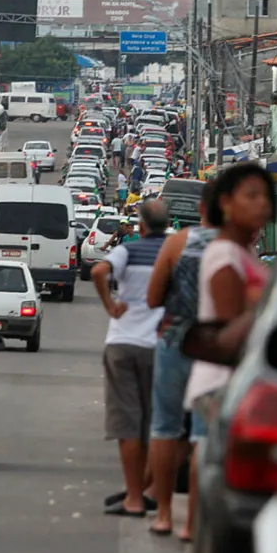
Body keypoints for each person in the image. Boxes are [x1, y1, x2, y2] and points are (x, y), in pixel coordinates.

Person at [182, 164, 275, 541]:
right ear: (225, 203)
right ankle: (196, 528)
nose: (262, 205)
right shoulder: (224, 256)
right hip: (221, 380)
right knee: (208, 457)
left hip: (234, 381)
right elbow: (229, 327)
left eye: (265, 197)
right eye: (251, 196)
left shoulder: (244, 252)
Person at [145, 183, 217, 536]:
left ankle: (162, 514)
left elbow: (153, 297)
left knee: (165, 428)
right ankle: (191, 522)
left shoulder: (178, 242)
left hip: (175, 341)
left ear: (201, 207)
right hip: (215, 350)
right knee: (202, 435)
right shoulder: (238, 248)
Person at [92, 200, 171, 517]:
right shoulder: (173, 252)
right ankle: (147, 489)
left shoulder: (129, 250)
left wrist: (110, 305)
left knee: (128, 424)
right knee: (156, 425)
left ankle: (134, 498)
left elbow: (99, 269)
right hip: (160, 345)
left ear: (140, 226)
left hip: (123, 343)